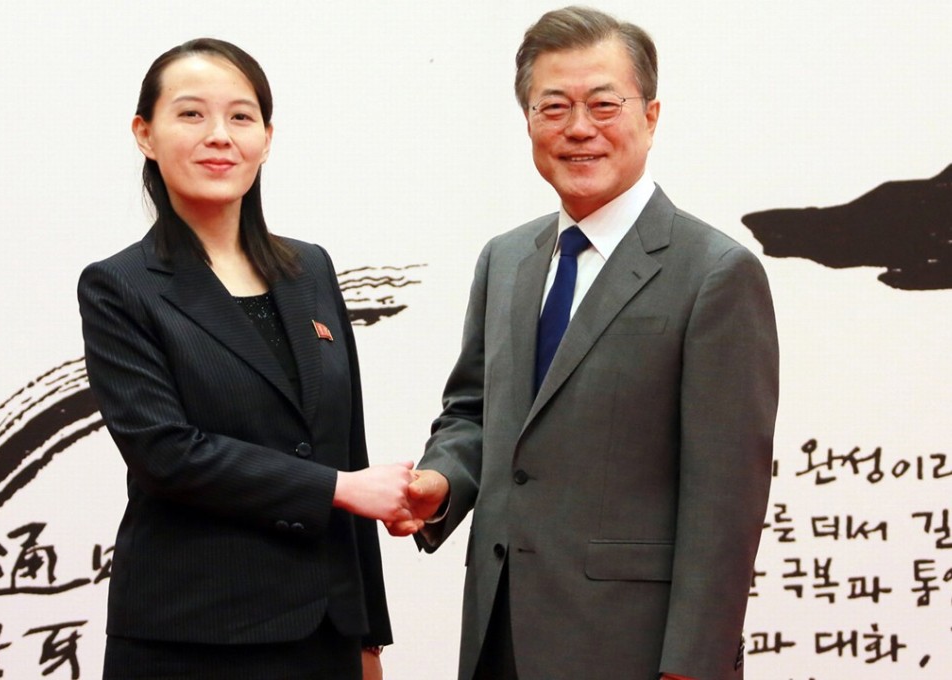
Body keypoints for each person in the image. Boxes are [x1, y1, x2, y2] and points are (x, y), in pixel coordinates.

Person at [388, 7, 779, 680]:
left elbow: (725, 502)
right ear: (529, 123)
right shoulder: (506, 258)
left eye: (603, 105)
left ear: (651, 117)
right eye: (553, 107)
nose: (578, 129)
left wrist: (694, 665)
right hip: (499, 630)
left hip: (630, 648)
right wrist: (441, 481)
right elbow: (476, 412)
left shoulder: (715, 272)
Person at [78, 38, 414, 680]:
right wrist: (339, 490)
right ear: (144, 134)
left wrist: (369, 636)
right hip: (191, 640)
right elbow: (168, 454)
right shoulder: (121, 285)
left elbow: (345, 445)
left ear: (265, 136)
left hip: (324, 636)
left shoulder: (309, 268)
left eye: (240, 116)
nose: (219, 136)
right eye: (191, 114)